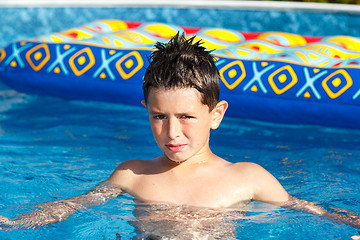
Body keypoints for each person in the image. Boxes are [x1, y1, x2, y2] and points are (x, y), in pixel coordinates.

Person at [1, 33, 359, 239]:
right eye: (159, 116)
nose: (172, 132)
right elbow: (72, 206)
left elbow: (313, 211)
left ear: (216, 115)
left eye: (187, 116)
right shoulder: (131, 174)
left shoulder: (247, 178)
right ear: (146, 110)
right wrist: (15, 223)